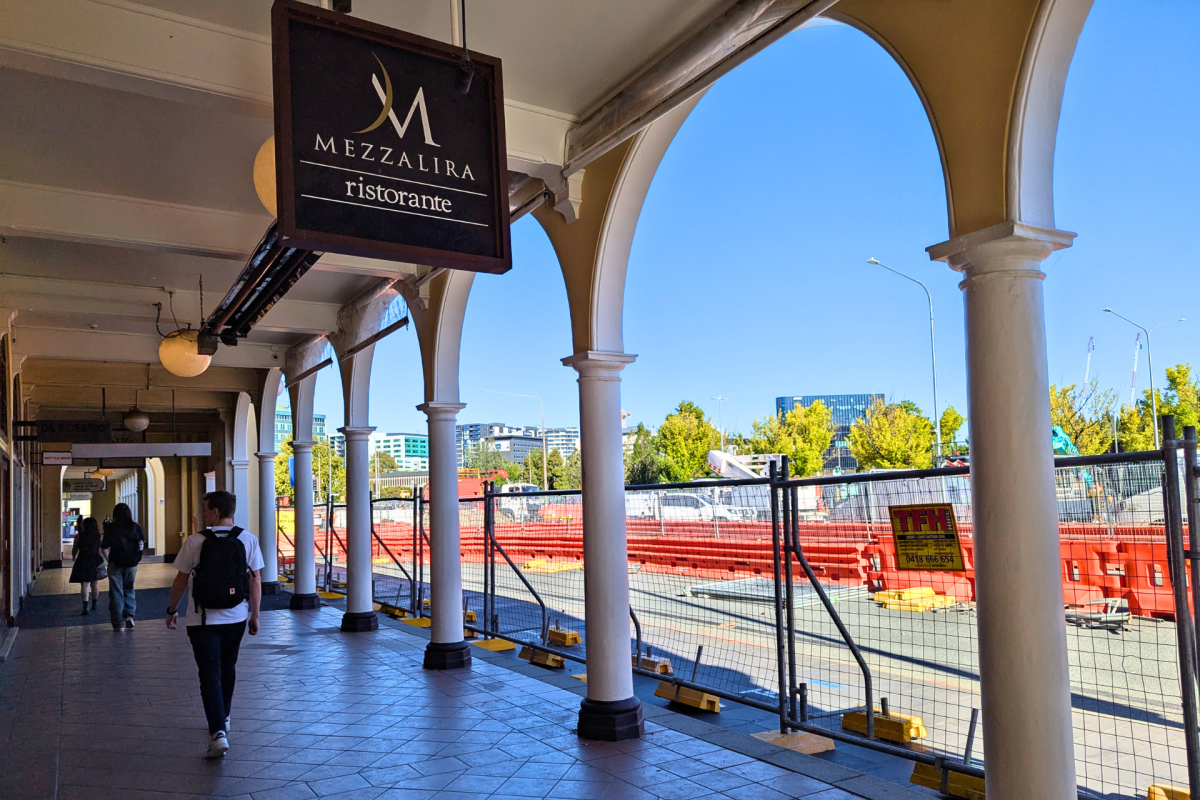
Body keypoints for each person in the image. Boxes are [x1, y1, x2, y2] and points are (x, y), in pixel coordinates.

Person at [166, 491, 263, 759]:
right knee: (228, 666)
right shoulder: (248, 539)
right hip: (236, 617)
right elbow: (255, 581)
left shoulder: (195, 542)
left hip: (202, 620)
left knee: (209, 673)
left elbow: (180, 581)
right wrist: (255, 615)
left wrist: (171, 610)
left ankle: (217, 732)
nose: (202, 514)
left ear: (216, 512)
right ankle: (225, 716)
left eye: (205, 510)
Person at [102, 503, 145, 631]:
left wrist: (108, 558)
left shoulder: (111, 528)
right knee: (129, 588)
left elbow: (104, 545)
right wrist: (137, 558)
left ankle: (118, 623)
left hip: (115, 562)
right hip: (131, 563)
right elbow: (142, 544)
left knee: (116, 592)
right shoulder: (135, 527)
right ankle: (129, 615)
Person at [68, 517, 105, 615]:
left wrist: (73, 555)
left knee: (84, 584)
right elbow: (102, 549)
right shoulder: (99, 536)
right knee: (95, 583)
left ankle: (85, 606)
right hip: (95, 560)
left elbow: (74, 549)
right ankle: (94, 603)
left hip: (83, 560)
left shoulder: (78, 537)